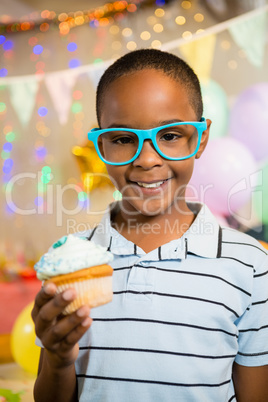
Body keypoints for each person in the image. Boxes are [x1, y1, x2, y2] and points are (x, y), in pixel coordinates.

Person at [32, 49, 268, 402]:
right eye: (123, 139)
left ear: (200, 139)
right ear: (101, 146)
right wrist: (59, 359)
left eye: (170, 135)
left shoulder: (250, 264)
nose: (147, 159)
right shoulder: (71, 263)